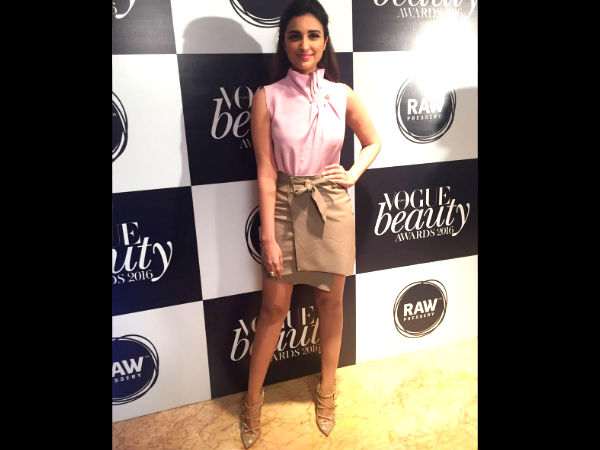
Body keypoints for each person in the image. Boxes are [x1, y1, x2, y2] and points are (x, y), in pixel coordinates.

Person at [241, 0, 381, 447]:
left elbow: (373, 142)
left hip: (331, 205)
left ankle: (327, 391)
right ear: (284, 43)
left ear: (325, 41)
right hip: (284, 204)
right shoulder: (267, 97)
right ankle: (252, 401)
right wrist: (268, 236)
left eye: (313, 35)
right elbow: (266, 171)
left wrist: (352, 173)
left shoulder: (342, 94)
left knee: (330, 304)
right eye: (295, 36)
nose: (305, 44)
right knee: (273, 310)